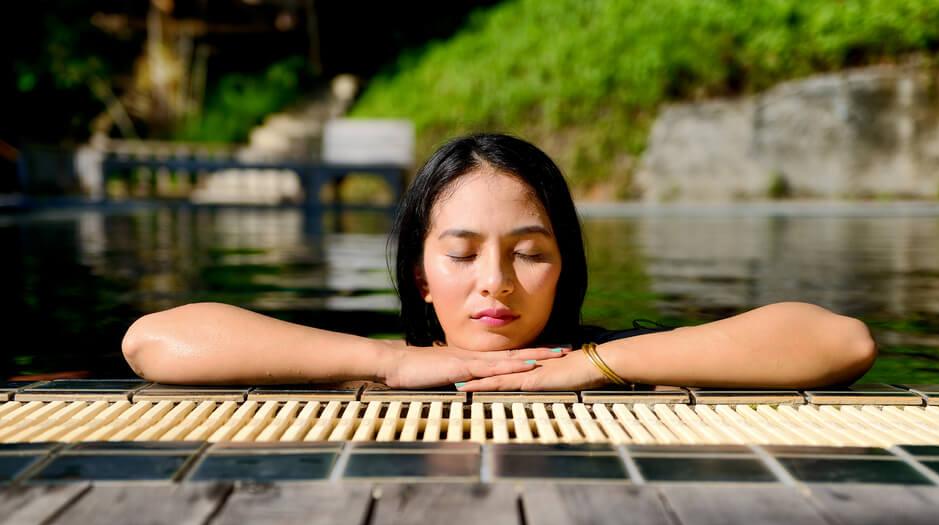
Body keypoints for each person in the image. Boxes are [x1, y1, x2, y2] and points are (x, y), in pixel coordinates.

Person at [121, 133, 877, 390]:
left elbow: (843, 341)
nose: (497, 282)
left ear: (566, 263)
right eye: (462, 252)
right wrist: (389, 363)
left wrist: (591, 366)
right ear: (421, 273)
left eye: (530, 253)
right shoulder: (365, 364)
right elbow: (152, 340)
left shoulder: (617, 361)